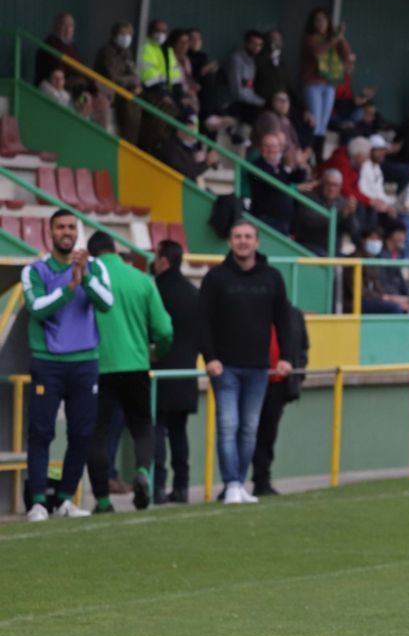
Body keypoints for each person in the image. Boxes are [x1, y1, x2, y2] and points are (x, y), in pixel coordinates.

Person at [22, 211, 114, 520]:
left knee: (82, 432)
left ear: (79, 232)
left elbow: (106, 303)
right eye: (60, 227)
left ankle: (65, 499)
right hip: (48, 364)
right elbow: (36, 308)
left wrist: (84, 277)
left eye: (71, 227)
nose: (66, 232)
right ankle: (37, 502)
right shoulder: (35, 270)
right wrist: (70, 287)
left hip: (85, 363)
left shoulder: (95, 266)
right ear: (50, 232)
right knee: (40, 432)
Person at [198, 220, 293, 506]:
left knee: (250, 427)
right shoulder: (215, 277)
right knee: (228, 425)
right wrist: (210, 357)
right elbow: (201, 321)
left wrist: (287, 356)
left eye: (248, 237)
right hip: (224, 367)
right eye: (237, 236)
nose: (243, 241)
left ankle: (239, 482)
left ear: (257, 242)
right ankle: (231, 484)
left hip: (258, 367)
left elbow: (284, 320)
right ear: (229, 242)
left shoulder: (273, 277)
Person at [85, 232, 172, 513]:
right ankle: (143, 472)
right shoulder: (142, 280)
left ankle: (102, 500)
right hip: (136, 364)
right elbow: (164, 329)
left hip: (98, 365)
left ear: (92, 254)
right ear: (115, 250)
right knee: (142, 427)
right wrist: (157, 350)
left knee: (97, 433)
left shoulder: (89, 279)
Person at [151, 239, 199, 504]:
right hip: (186, 374)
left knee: (157, 430)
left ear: (164, 260)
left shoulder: (154, 290)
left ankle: (158, 486)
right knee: (179, 433)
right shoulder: (193, 293)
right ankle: (182, 486)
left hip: (158, 371)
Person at [251, 305, 307, 498]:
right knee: (242, 432)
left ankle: (262, 480)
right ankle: (233, 482)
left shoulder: (293, 315)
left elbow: (303, 347)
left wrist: (297, 375)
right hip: (250, 381)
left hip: (277, 385)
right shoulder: (252, 310)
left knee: (267, 434)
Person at [301, 8, 353, 150]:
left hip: (329, 84)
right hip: (313, 84)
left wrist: (341, 37)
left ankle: (317, 153)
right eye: (317, 20)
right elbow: (318, 52)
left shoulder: (333, 38)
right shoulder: (310, 38)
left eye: (323, 20)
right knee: (315, 122)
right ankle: (309, 151)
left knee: (323, 124)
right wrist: (334, 39)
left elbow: (348, 55)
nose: (320, 23)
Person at [249, 131, 308, 236]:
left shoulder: (280, 167)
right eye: (267, 146)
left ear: (279, 148)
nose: (271, 150)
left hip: (284, 221)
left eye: (274, 146)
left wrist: (300, 165)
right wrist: (288, 168)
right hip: (264, 220)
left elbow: (296, 179)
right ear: (261, 148)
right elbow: (275, 183)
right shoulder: (257, 166)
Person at [93, 21, 141, 142]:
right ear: (114, 35)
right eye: (122, 34)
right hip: (107, 90)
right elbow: (113, 78)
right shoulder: (107, 51)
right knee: (131, 109)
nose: (126, 38)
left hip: (122, 91)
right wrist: (132, 81)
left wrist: (135, 83)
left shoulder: (127, 52)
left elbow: (134, 74)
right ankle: (127, 144)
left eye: (128, 34)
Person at [295, 168, 355, 255]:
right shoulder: (309, 198)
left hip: (334, 251)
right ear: (321, 183)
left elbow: (353, 230)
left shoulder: (343, 202)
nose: (331, 188)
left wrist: (350, 214)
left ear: (340, 187)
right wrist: (341, 214)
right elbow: (312, 222)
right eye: (328, 184)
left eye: (335, 185)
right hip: (309, 246)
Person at [225, 30, 267, 124]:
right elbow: (237, 93)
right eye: (254, 44)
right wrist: (259, 102)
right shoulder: (236, 59)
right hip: (234, 104)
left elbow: (249, 87)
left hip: (249, 103)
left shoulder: (252, 61)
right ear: (246, 43)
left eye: (260, 45)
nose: (257, 48)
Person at [36, 12, 81, 87]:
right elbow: (55, 70)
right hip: (52, 85)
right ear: (57, 26)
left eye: (71, 25)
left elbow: (79, 67)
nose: (68, 29)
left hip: (73, 85)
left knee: (89, 94)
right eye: (64, 25)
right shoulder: (50, 43)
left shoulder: (72, 47)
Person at [137, 18, 176, 102]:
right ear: (150, 31)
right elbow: (149, 76)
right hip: (150, 89)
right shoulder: (144, 47)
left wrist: (181, 95)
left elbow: (175, 77)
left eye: (163, 31)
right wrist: (163, 94)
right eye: (157, 30)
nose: (160, 34)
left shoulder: (167, 50)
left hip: (166, 90)